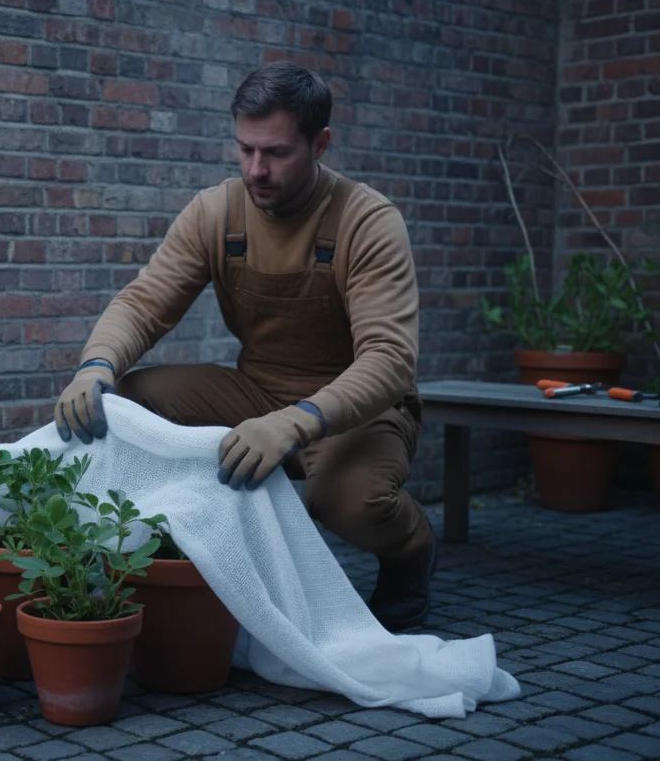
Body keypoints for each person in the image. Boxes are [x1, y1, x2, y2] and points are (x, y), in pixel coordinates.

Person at [53, 61, 434, 632]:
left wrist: (297, 421)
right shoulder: (216, 212)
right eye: (245, 149)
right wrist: (95, 366)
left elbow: (389, 358)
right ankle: (165, 552)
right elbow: (143, 303)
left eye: (276, 153)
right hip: (257, 388)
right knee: (126, 403)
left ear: (320, 143)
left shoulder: (367, 221)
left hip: (358, 407)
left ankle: (413, 552)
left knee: (346, 502)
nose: (257, 169)